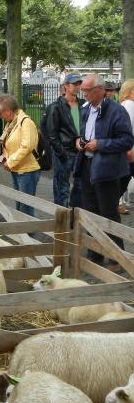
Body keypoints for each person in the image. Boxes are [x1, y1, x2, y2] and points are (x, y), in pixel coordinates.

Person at [74, 73, 134, 267]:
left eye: (87, 90)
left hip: (107, 168)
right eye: (82, 90)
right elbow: (84, 133)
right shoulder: (86, 110)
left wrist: (100, 144)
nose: (83, 94)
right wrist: (79, 141)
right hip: (87, 165)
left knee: (108, 212)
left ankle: (118, 256)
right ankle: (96, 252)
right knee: (91, 211)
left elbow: (126, 140)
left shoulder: (116, 111)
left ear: (99, 90)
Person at [0, 94, 40, 217]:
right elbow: (10, 143)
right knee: (19, 205)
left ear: (8, 111)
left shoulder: (26, 122)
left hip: (27, 171)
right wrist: (5, 157)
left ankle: (29, 234)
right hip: (17, 169)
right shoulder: (12, 123)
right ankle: (21, 233)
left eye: (0, 112)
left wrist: (10, 162)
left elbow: (27, 146)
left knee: (25, 207)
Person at [43, 72, 83, 208]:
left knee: (79, 185)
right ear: (66, 86)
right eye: (74, 84)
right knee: (62, 187)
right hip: (64, 151)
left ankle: (75, 215)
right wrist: (61, 152)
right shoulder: (56, 107)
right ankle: (62, 217)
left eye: (79, 83)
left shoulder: (83, 105)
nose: (78, 86)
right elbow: (51, 133)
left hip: (81, 151)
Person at [118, 79, 134, 213]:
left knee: (123, 178)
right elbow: (128, 129)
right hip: (130, 150)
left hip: (126, 149)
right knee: (123, 179)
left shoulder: (123, 104)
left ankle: (115, 202)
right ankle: (115, 203)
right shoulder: (129, 104)